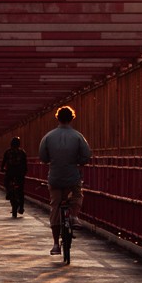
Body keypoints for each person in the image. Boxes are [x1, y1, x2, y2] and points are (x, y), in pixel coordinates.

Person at [38, 105, 92, 257]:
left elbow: (43, 157)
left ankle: (55, 244)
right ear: (72, 118)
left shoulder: (48, 136)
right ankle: (74, 215)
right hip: (72, 175)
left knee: (55, 205)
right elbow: (86, 155)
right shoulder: (78, 136)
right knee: (77, 194)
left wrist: (52, 161)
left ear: (57, 118)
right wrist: (79, 162)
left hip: (54, 176)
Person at [1, 136, 28, 218]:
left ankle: (8, 192)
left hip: (10, 172)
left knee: (6, 182)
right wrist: (25, 171)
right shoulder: (22, 152)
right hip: (19, 173)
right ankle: (21, 207)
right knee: (21, 190)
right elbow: (25, 163)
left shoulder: (8, 152)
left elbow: (4, 162)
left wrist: (2, 168)